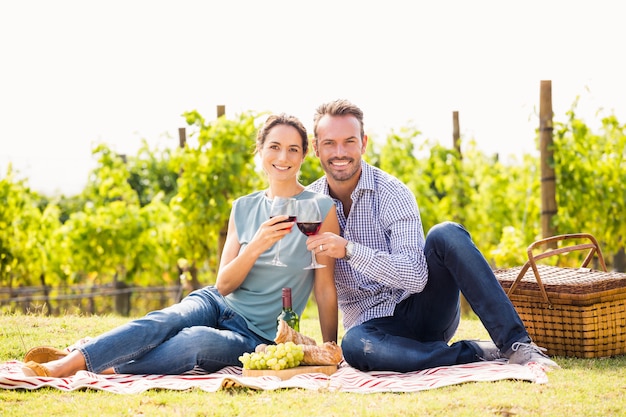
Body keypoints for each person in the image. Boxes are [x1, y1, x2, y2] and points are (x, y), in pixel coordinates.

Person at [21, 113, 339, 377]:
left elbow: (324, 287)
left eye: (293, 149)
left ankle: (103, 360)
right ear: (260, 150)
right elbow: (224, 284)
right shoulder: (243, 207)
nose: (283, 158)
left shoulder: (320, 210)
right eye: (274, 147)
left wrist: (328, 348)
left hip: (257, 335)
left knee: (194, 341)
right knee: (166, 320)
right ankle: (68, 364)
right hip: (217, 302)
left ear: (304, 154)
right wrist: (255, 245)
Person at [305, 99, 559, 372]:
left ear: (364, 143)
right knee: (355, 345)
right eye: (329, 143)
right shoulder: (309, 207)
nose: (339, 152)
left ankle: (516, 344)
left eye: (349, 141)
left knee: (446, 233)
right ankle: (471, 352)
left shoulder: (392, 193)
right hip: (371, 329)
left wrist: (350, 250)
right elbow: (315, 284)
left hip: (424, 310)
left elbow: (415, 276)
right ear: (316, 148)